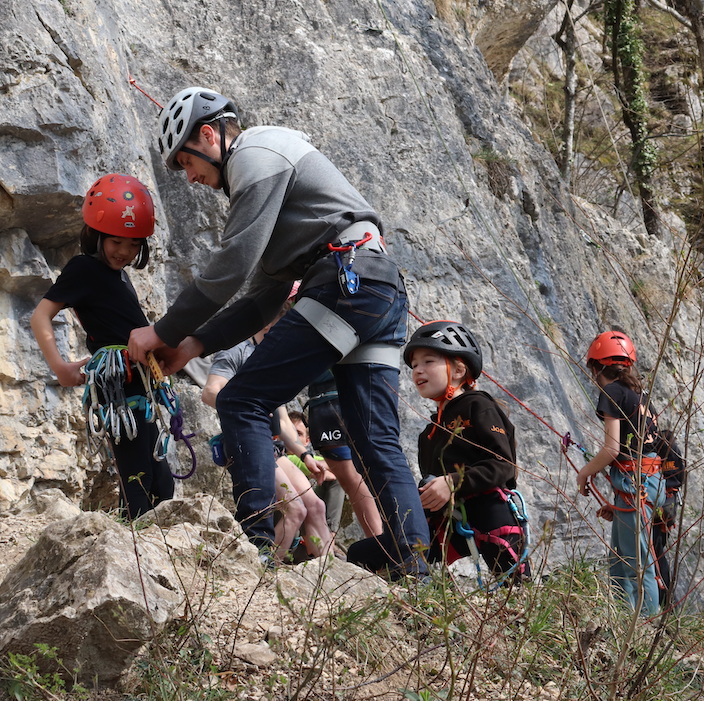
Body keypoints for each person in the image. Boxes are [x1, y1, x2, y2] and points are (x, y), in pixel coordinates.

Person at [127, 85, 430, 576]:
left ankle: (257, 546)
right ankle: (411, 561)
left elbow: (232, 264)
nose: (190, 177)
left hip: (343, 281)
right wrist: (191, 345)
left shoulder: (256, 153)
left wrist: (161, 330)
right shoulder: (282, 204)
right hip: (379, 287)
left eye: (186, 161)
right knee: (375, 439)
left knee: (240, 400)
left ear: (209, 135)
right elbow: (261, 300)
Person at [30, 174, 174, 518]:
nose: (124, 252)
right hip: (118, 388)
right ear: (96, 235)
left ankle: (143, 540)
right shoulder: (83, 268)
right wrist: (60, 368)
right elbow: (40, 316)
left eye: (134, 244)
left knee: (161, 484)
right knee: (138, 477)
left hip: (140, 385)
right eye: (116, 241)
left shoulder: (121, 277)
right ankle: (132, 541)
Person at [400, 321, 528, 581]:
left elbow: (503, 464)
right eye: (414, 365)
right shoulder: (429, 434)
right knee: (377, 554)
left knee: (515, 588)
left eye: (428, 361)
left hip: (491, 511)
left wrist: (452, 482)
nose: (417, 370)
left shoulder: (478, 406)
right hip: (448, 520)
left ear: (459, 370)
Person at [201, 315, 334, 561]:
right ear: (268, 322)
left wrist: (305, 455)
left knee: (316, 506)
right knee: (295, 509)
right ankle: (265, 570)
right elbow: (210, 392)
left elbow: (282, 422)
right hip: (247, 438)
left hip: (273, 445)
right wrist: (246, 407)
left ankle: (331, 574)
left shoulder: (273, 358)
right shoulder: (238, 351)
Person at [577, 330, 665, 617]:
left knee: (636, 566)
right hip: (647, 483)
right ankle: (622, 622)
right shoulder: (639, 394)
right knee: (621, 561)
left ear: (595, 367)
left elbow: (612, 448)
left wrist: (584, 473)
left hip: (635, 485)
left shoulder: (612, 392)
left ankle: (643, 626)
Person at [302, 372, 383, 538]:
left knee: (352, 480)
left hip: (330, 397)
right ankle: (381, 543)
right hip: (330, 397)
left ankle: (380, 544)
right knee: (351, 480)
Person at [287, 409, 347, 535]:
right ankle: (327, 539)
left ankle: (329, 536)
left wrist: (328, 470)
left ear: (307, 441)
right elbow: (335, 464)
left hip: (302, 520)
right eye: (290, 432)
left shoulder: (308, 458)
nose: (294, 437)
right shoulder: (283, 457)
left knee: (338, 480)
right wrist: (328, 469)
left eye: (299, 434)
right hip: (286, 519)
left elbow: (336, 467)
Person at [651, 427, 685, 606]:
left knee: (655, 555)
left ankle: (666, 603)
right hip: (669, 507)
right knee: (658, 552)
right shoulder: (675, 450)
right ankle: (667, 603)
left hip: (657, 507)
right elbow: (681, 477)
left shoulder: (655, 450)